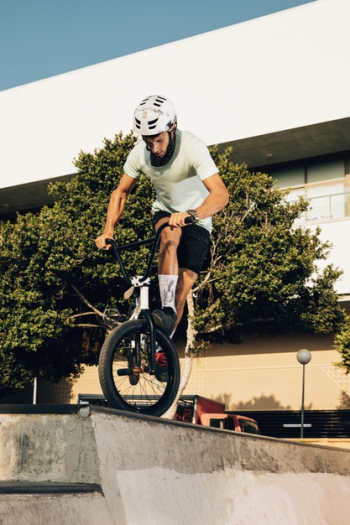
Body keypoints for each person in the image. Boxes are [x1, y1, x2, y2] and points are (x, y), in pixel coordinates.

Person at [95, 94, 229, 336]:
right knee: (169, 234)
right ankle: (164, 308)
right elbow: (121, 193)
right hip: (165, 212)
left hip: (199, 218)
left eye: (158, 140)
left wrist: (192, 214)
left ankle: (161, 346)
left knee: (182, 292)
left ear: (172, 128)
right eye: (148, 141)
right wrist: (108, 230)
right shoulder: (139, 154)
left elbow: (220, 195)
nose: (154, 148)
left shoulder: (192, 146)